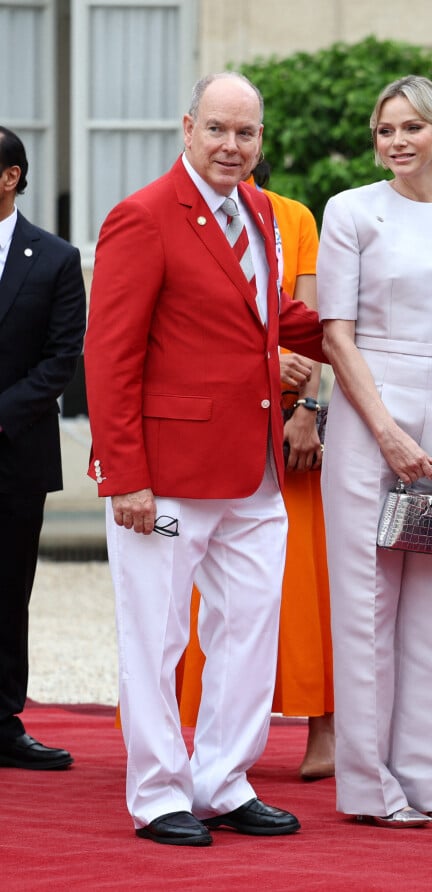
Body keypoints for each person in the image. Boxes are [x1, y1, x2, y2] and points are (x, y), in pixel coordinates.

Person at [83, 72, 325, 847]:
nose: (231, 146)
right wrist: (125, 476)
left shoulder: (260, 211)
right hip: (166, 473)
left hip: (254, 468)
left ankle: (224, 779)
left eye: (245, 133)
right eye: (218, 129)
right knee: (157, 637)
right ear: (188, 127)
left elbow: (268, 319)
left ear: (261, 140)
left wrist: (352, 329)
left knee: (250, 630)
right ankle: (158, 794)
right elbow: (108, 354)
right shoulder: (142, 217)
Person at [316, 75, 432, 827]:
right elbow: (335, 332)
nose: (395, 141)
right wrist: (388, 430)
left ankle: (426, 776)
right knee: (367, 602)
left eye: (410, 128)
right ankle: (367, 784)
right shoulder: (351, 211)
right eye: (384, 130)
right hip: (371, 415)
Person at [176, 160, 335, 780]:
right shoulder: (180, 219)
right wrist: (271, 363)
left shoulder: (292, 217)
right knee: (207, 593)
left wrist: (309, 411)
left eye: (244, 138)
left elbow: (308, 316)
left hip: (289, 425)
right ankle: (204, 734)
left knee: (305, 583)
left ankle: (325, 728)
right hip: (220, 421)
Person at [0, 126, 86, 770]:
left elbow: (62, 359)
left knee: (7, 591)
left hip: (15, 451)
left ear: (11, 176)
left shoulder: (54, 258)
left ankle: (3, 723)